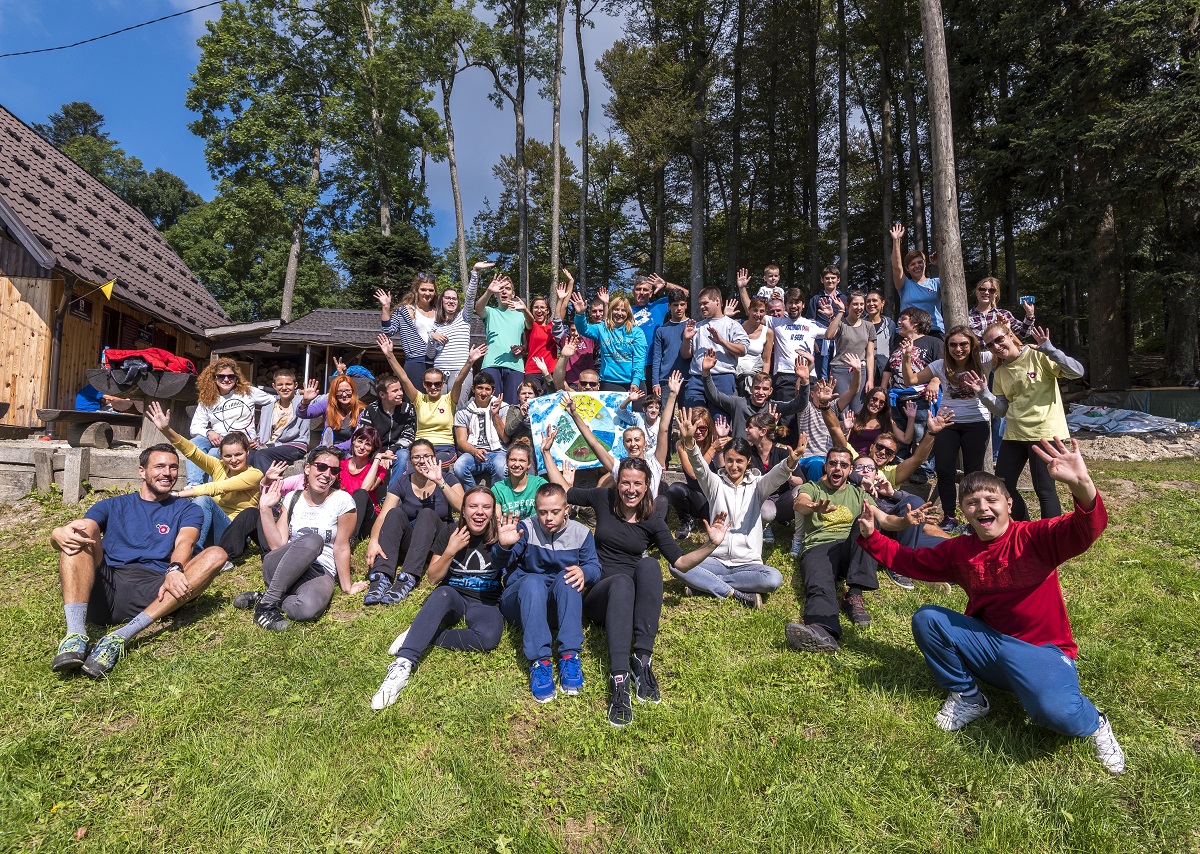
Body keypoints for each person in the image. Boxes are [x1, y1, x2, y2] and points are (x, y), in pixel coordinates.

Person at [856, 439, 1125, 775]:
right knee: (928, 618)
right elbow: (910, 561)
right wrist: (871, 536)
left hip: (1043, 653)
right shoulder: (959, 551)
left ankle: (1096, 723)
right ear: (965, 512)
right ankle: (968, 696)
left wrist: (1082, 484)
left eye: (990, 500)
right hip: (990, 648)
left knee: (1054, 715)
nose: (982, 508)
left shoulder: (1035, 538)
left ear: (1009, 504)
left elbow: (1086, 527)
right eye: (972, 503)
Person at [548, 455, 732, 726]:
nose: (630, 490)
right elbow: (563, 492)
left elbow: (680, 563)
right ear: (617, 483)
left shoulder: (654, 521)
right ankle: (619, 679)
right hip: (600, 593)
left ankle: (642, 660)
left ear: (647, 486)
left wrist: (710, 544)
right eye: (625, 483)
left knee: (649, 565)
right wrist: (546, 454)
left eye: (637, 484)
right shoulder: (603, 498)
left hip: (629, 602)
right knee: (622, 581)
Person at [49, 443, 227, 678]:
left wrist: (175, 569)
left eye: (173, 467)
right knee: (79, 535)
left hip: (158, 591)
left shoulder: (187, 509)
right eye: (160, 466)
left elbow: (186, 541)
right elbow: (85, 528)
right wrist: (57, 534)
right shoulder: (113, 504)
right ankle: (74, 635)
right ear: (142, 471)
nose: (167, 473)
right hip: (106, 586)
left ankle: (119, 637)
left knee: (217, 554)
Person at [371, 487, 509, 710]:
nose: (480, 512)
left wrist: (506, 545)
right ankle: (402, 665)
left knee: (489, 639)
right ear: (463, 510)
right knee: (441, 593)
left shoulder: (500, 534)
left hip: (485, 599)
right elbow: (433, 578)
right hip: (452, 595)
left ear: (493, 511)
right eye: (473, 506)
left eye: (486, 507)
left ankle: (424, 632)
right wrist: (449, 552)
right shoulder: (449, 532)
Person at [784, 446, 933, 652]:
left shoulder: (858, 494)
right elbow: (800, 503)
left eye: (843, 465)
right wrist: (813, 507)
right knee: (819, 584)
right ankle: (822, 630)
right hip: (819, 546)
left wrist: (905, 521)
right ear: (826, 466)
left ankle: (854, 594)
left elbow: (887, 520)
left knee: (866, 523)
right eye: (833, 463)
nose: (838, 468)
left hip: (851, 549)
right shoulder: (813, 488)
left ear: (850, 469)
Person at [672, 409, 804, 605]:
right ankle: (736, 592)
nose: (734, 466)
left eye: (739, 461)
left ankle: (706, 586)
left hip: (748, 564)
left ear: (748, 461)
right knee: (676, 566)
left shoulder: (758, 485)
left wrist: (791, 461)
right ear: (724, 460)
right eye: (730, 460)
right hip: (715, 560)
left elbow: (777, 475)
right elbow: (699, 467)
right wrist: (690, 444)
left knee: (773, 578)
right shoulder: (714, 483)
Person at [233, 447, 367, 630]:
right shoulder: (292, 498)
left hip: (320, 571)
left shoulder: (343, 501)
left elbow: (341, 547)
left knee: (306, 610)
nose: (327, 474)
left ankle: (267, 597)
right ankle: (266, 607)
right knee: (313, 540)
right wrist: (264, 509)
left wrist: (347, 587)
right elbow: (277, 544)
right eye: (321, 467)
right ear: (307, 468)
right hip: (282, 565)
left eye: (334, 470)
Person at [961, 324, 1084, 521]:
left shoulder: (1038, 355)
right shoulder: (1000, 372)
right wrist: (983, 393)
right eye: (991, 345)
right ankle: (1023, 529)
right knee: (1002, 486)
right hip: (1014, 434)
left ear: (1010, 335)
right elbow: (1001, 410)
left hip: (1044, 433)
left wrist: (1050, 349)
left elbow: (1077, 372)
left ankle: (1050, 538)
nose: (997, 346)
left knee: (1044, 489)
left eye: (999, 340)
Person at [498, 483, 602, 703]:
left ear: (566, 508)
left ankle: (569, 655)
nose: (548, 518)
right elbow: (501, 563)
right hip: (521, 601)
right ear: (536, 510)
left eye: (555, 511)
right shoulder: (525, 529)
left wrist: (585, 571)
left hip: (555, 606)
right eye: (543, 512)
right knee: (533, 580)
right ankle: (540, 661)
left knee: (569, 576)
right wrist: (504, 546)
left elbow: (595, 567)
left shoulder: (581, 533)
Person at [903, 325, 995, 530]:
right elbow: (911, 380)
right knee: (944, 470)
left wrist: (1006, 330)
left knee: (973, 473)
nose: (958, 349)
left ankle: (974, 518)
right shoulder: (940, 365)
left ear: (972, 345)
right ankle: (949, 516)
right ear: (947, 346)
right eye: (953, 344)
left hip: (976, 422)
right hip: (947, 422)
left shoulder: (984, 359)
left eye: (963, 344)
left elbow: (1011, 350)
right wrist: (906, 357)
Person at [146, 402, 264, 550]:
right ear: (221, 456)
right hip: (209, 529)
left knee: (202, 499)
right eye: (228, 456)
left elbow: (217, 487)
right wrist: (166, 430)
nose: (233, 460)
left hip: (233, 534)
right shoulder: (218, 466)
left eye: (238, 454)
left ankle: (193, 552)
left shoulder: (254, 474)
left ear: (247, 452)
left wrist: (177, 494)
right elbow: (191, 452)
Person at [363, 440, 466, 606]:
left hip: (437, 545)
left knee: (426, 514)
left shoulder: (448, 478)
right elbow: (383, 516)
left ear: (434, 457)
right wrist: (374, 540)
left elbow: (464, 508)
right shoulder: (402, 482)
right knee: (394, 513)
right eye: (416, 457)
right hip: (413, 544)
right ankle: (381, 576)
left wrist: (440, 483)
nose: (422, 460)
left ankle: (408, 577)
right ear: (410, 461)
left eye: (427, 456)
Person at [737, 273, 823, 444]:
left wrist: (836, 313)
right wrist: (742, 288)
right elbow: (753, 309)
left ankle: (806, 454)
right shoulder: (776, 323)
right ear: (786, 304)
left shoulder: (810, 324)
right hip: (784, 376)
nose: (793, 305)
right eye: (790, 302)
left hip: (808, 376)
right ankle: (783, 455)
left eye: (797, 302)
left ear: (802, 304)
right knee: (786, 420)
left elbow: (831, 333)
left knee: (808, 417)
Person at [380, 334, 485, 465]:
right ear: (424, 384)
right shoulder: (418, 399)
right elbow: (403, 378)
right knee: (409, 466)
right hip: (421, 447)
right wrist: (389, 355)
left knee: (431, 464)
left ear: (443, 384)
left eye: (437, 384)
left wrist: (470, 361)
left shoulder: (449, 399)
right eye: (429, 384)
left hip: (445, 448)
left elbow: (458, 381)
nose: (433, 387)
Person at [186, 358, 275, 486]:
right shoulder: (208, 398)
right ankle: (194, 484)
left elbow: (272, 402)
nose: (226, 379)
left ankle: (212, 491)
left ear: (236, 377)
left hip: (239, 439)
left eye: (231, 376)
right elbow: (194, 428)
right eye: (221, 376)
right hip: (217, 439)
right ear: (214, 378)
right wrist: (209, 432)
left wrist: (261, 437)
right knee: (194, 443)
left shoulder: (248, 392)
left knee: (212, 454)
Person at [882, 307, 944, 483]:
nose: (899, 322)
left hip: (921, 397)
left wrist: (935, 382)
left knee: (921, 434)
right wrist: (882, 391)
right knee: (898, 434)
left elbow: (943, 366)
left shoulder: (933, 342)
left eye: (904, 319)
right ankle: (899, 465)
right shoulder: (898, 344)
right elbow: (888, 370)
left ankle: (923, 470)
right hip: (896, 398)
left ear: (916, 323)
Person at [701, 348, 812, 440]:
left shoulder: (773, 407)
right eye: (757, 388)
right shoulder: (738, 403)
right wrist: (706, 372)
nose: (760, 392)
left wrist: (805, 381)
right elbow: (714, 395)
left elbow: (800, 404)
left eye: (765, 389)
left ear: (770, 391)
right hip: (740, 453)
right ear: (751, 389)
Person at [680, 287, 749, 419]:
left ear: (717, 301)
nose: (702, 307)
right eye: (700, 304)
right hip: (697, 379)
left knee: (720, 422)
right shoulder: (697, 326)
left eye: (705, 303)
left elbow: (743, 350)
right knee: (694, 421)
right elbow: (686, 355)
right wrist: (686, 339)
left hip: (722, 378)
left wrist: (722, 341)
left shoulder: (731, 325)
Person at [423, 261, 491, 395]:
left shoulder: (464, 317)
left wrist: (475, 272)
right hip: (439, 373)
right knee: (440, 410)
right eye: (447, 298)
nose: (451, 301)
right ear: (442, 301)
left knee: (458, 409)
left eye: (454, 299)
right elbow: (430, 355)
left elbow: (470, 296)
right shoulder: (435, 324)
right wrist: (432, 337)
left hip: (460, 371)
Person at [572, 287, 648, 392]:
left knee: (638, 409)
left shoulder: (636, 332)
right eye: (616, 309)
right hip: (610, 381)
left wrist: (635, 381)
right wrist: (580, 314)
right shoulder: (602, 328)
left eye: (623, 310)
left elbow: (639, 359)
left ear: (628, 313)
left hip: (634, 381)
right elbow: (583, 329)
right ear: (611, 311)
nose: (619, 313)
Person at [377, 272, 439, 388]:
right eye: (423, 289)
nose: (427, 293)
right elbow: (388, 331)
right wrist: (385, 308)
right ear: (416, 290)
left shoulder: (439, 312)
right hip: (416, 362)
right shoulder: (405, 311)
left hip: (438, 362)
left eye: (431, 290)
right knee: (414, 402)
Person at [474, 272, 527, 402]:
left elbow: (527, 341)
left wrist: (523, 348)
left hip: (515, 366)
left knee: (513, 405)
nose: (504, 292)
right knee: (491, 403)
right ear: (496, 293)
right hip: (491, 364)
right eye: (501, 289)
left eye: (507, 289)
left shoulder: (521, 316)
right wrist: (488, 291)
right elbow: (478, 308)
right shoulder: (490, 312)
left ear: (513, 294)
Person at [452, 371, 510, 487]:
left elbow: (505, 438)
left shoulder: (503, 407)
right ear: (473, 389)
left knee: (501, 468)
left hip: (497, 451)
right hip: (473, 452)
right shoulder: (463, 411)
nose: (483, 393)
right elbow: (461, 441)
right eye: (480, 388)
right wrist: (475, 451)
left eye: (487, 389)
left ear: (493, 391)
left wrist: (495, 414)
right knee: (459, 467)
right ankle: (472, 496)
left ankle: (495, 499)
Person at [358, 369, 416, 485]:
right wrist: (379, 454)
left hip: (397, 451)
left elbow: (409, 436)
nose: (400, 393)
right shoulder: (371, 410)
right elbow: (364, 435)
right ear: (382, 394)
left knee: (403, 455)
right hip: (374, 451)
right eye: (395, 391)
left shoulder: (407, 409)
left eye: (400, 389)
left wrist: (391, 451)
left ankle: (392, 495)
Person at [248, 368, 311, 474]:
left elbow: (325, 398)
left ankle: (266, 487)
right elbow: (261, 432)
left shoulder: (303, 403)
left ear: (295, 385)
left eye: (288, 384)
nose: (284, 388)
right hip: (269, 445)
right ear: (274, 386)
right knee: (248, 455)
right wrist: (256, 443)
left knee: (262, 454)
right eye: (280, 385)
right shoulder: (268, 407)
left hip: (293, 446)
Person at [823, 290, 875, 408]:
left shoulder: (869, 326)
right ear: (848, 305)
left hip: (860, 370)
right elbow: (829, 335)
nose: (859, 307)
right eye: (855, 304)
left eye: (862, 304)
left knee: (858, 409)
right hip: (840, 369)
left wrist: (870, 379)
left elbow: (870, 355)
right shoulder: (841, 323)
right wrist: (840, 311)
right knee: (842, 409)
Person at [890, 223, 944, 336]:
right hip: (907, 333)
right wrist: (896, 241)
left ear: (925, 264)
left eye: (920, 262)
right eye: (912, 264)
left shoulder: (936, 283)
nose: (917, 266)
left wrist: (940, 263)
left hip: (934, 331)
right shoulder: (904, 285)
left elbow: (951, 281)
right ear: (907, 269)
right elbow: (896, 267)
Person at [341, 425, 392, 542]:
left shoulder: (378, 469)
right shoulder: (340, 465)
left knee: (360, 494)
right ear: (353, 441)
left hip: (367, 519)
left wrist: (377, 459)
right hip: (343, 514)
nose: (362, 447)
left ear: (373, 449)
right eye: (360, 441)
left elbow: (365, 488)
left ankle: (349, 540)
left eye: (368, 444)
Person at [551, 273, 603, 387]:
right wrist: (560, 300)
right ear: (568, 330)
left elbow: (605, 328)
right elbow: (556, 323)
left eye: (578, 330)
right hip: (570, 384)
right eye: (573, 330)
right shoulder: (565, 340)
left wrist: (606, 304)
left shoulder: (590, 339)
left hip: (589, 384)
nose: (576, 333)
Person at [298, 373, 366, 448]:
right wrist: (305, 401)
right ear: (334, 393)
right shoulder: (327, 405)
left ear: (353, 391)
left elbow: (356, 440)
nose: (344, 395)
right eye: (339, 391)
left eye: (347, 390)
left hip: (350, 451)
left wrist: (334, 448)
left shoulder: (361, 411)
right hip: (327, 448)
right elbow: (303, 414)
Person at [805, 265, 850, 380]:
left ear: (838, 280)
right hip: (821, 341)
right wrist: (812, 340)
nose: (830, 281)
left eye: (833, 278)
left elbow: (848, 321)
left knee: (837, 370)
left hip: (839, 340)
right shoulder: (816, 299)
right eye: (827, 278)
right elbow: (810, 322)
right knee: (821, 372)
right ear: (822, 280)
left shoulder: (844, 299)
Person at [844, 387, 912, 457]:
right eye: (874, 399)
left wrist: (911, 418)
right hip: (854, 459)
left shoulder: (887, 422)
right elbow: (843, 443)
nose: (876, 404)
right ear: (867, 399)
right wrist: (846, 430)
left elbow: (906, 439)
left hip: (875, 463)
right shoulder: (854, 419)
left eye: (881, 402)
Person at [650, 289, 691, 399]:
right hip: (666, 379)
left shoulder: (693, 326)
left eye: (682, 304)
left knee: (687, 415)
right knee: (666, 414)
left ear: (686, 305)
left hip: (688, 379)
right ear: (669, 306)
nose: (679, 308)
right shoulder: (661, 330)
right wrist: (655, 382)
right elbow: (657, 357)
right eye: (675, 305)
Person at [491, 439, 547, 519]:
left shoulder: (539, 484)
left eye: (522, 460)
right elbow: (497, 520)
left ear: (529, 464)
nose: (517, 464)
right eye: (513, 460)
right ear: (507, 462)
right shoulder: (498, 490)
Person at [968, 276, 1035, 341]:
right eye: (982, 289)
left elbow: (1023, 333)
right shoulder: (967, 316)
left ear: (996, 294)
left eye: (992, 290)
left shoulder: (1004, 314)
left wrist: (1030, 314)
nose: (986, 292)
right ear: (977, 292)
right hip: (976, 352)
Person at [736, 295, 775, 395]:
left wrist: (763, 382)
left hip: (753, 378)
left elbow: (766, 361)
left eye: (762, 311)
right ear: (749, 310)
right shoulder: (736, 325)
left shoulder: (768, 332)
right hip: (734, 374)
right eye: (755, 310)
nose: (758, 314)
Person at [517, 293, 559, 386]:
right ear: (532, 310)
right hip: (532, 371)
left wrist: (561, 298)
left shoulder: (552, 327)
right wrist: (524, 310)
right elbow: (529, 320)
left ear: (547, 311)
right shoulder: (531, 326)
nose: (539, 310)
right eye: (536, 307)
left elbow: (561, 311)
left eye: (542, 307)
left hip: (551, 370)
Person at [864, 289, 896, 385]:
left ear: (882, 303)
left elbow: (892, 347)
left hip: (885, 370)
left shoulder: (890, 324)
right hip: (865, 370)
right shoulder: (860, 324)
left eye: (874, 300)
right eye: (868, 301)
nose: (871, 304)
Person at [502, 380, 538, 446]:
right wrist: (521, 415)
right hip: (519, 446)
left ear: (535, 395)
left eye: (530, 393)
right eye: (523, 393)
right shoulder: (513, 409)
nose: (527, 396)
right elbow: (508, 431)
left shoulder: (541, 409)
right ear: (518, 397)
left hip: (536, 446)